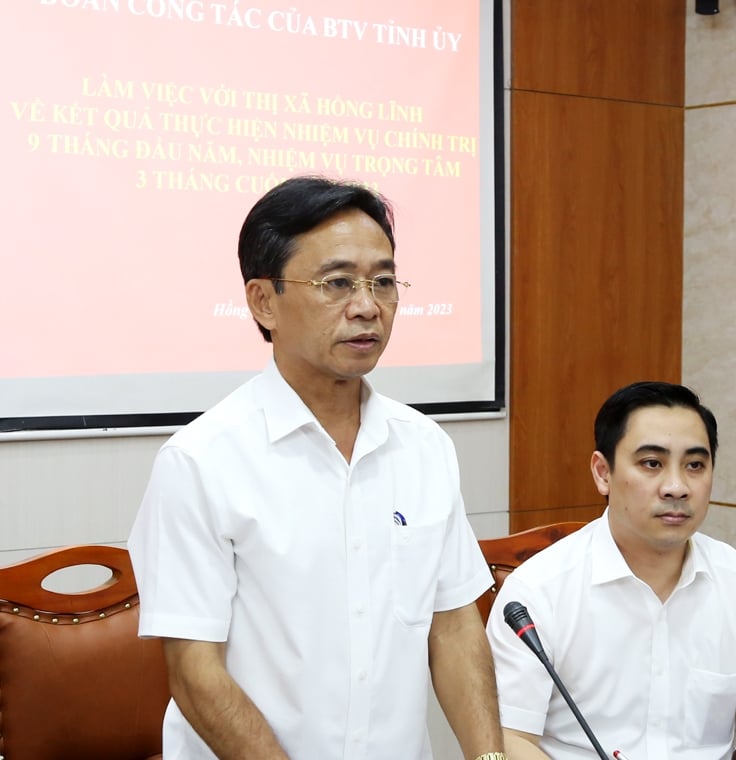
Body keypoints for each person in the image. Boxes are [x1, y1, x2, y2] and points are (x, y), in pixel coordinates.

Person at [129, 176, 506, 760]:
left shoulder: (424, 447)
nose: (367, 306)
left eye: (383, 281)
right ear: (263, 301)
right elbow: (195, 674)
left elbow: (453, 627)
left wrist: (490, 757)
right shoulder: (201, 461)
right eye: (337, 283)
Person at [487, 381, 736, 759]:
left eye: (695, 466)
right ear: (603, 473)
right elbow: (511, 739)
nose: (676, 487)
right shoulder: (539, 591)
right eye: (652, 463)